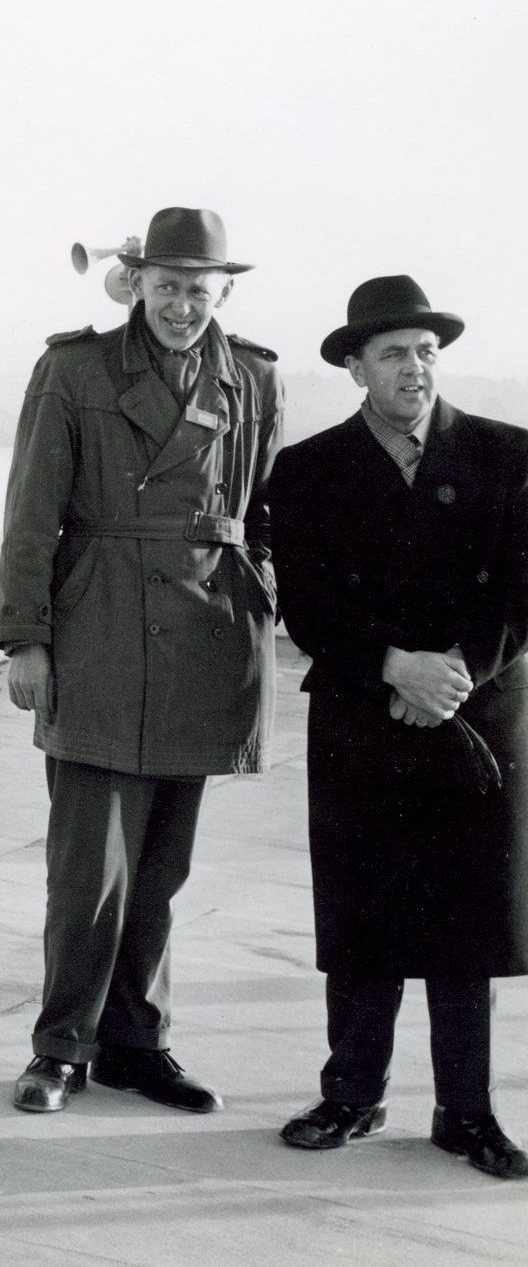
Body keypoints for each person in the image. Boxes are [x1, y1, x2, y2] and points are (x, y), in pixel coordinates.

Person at [0, 206, 282, 1115]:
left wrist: (267, 615)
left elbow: (267, 511)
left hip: (207, 638)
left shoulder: (257, 380)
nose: (182, 307)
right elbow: (31, 510)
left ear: (222, 292)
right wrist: (27, 638)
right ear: (138, 285)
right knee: (90, 872)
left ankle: (137, 1042)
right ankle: (60, 1048)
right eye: (167, 288)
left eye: (199, 291)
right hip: (101, 630)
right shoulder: (73, 369)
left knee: (162, 869)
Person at [269, 276, 528, 1178]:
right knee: (364, 915)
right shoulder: (304, 471)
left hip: (478, 718)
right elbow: (303, 604)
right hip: (360, 715)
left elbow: (521, 591)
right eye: (392, 353)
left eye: (425, 350)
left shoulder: (509, 455)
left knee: (468, 923)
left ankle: (467, 1113)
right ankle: (351, 1096)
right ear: (354, 369)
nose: (414, 368)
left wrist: (452, 676)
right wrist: (393, 666)